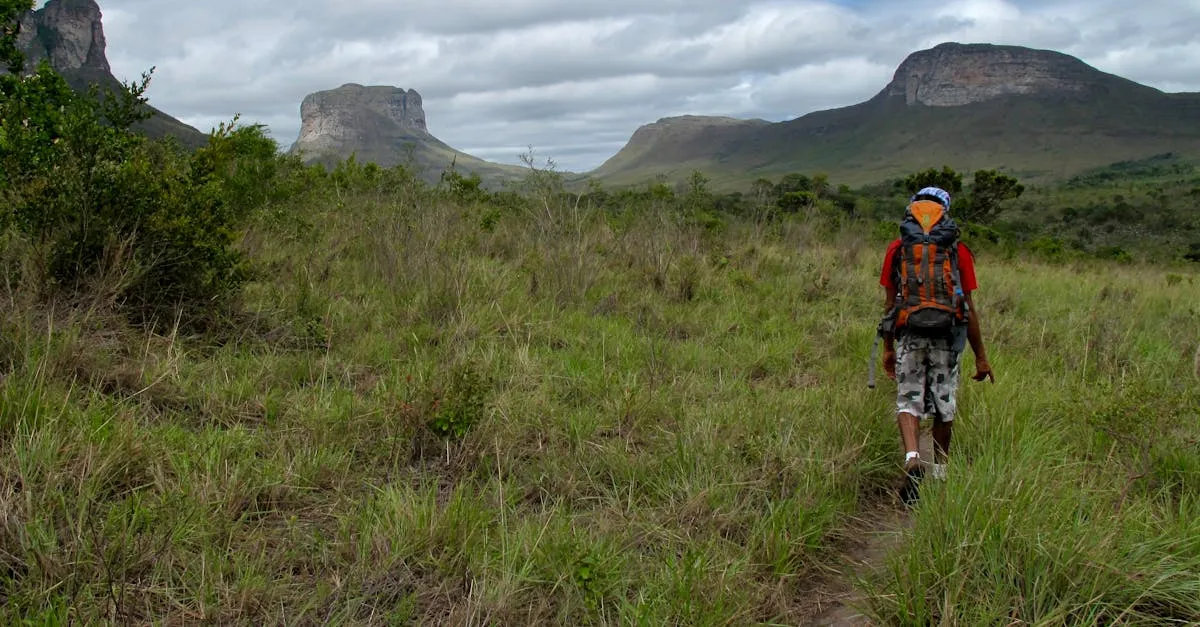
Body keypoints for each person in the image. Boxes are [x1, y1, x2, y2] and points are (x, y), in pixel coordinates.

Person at [879, 186, 994, 496]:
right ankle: (941, 474)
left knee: (908, 400)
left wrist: (888, 347)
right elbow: (968, 307)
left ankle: (913, 457)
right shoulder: (958, 251)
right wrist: (981, 357)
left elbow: (890, 305)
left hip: (910, 334)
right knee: (944, 403)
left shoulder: (897, 249)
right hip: (947, 335)